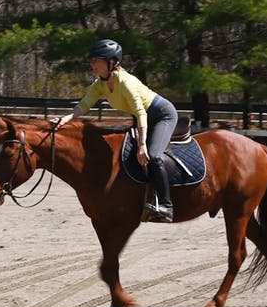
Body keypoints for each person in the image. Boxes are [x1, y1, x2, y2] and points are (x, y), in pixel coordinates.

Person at [58, 39, 178, 222]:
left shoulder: (125, 82)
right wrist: (65, 119)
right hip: (142, 118)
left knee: (152, 155)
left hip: (162, 115)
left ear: (111, 62)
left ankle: (166, 205)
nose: (92, 64)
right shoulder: (100, 84)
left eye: (96, 60)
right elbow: (84, 105)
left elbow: (140, 112)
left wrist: (142, 145)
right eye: (92, 60)